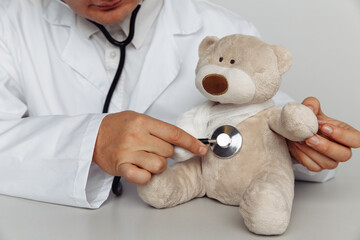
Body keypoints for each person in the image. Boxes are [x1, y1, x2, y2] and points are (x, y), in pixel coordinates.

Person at [0, 0, 359, 208]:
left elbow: (264, 124)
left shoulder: (222, 30)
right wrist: (88, 142)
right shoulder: (11, 25)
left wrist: (305, 144)